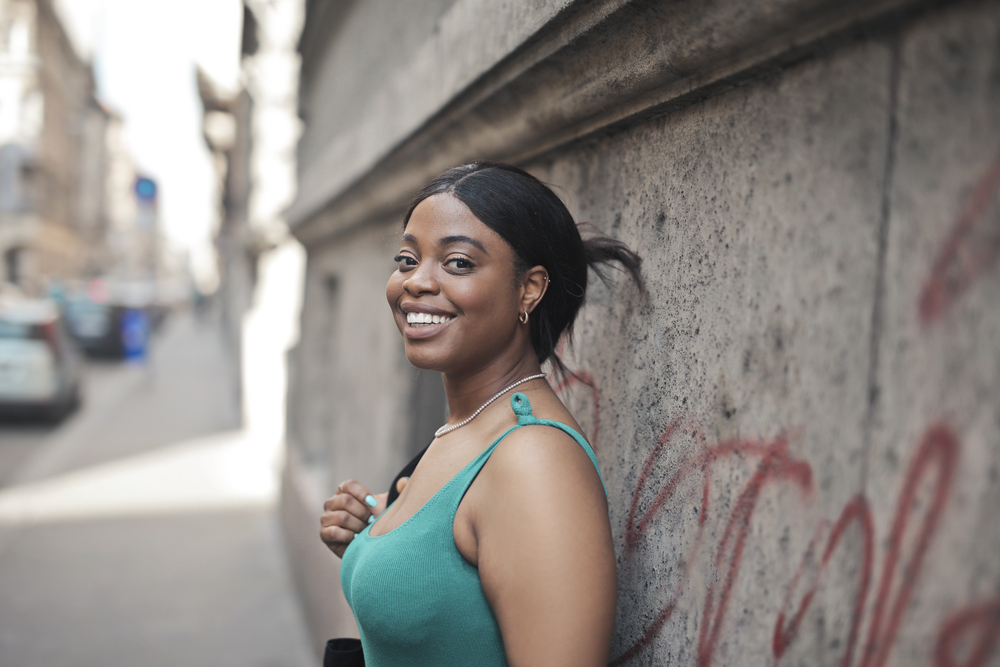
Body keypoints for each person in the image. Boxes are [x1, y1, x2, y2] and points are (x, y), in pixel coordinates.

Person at [319, 161, 642, 666]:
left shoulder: (534, 461)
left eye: (458, 263)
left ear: (529, 290)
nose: (416, 282)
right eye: (407, 259)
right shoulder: (465, 429)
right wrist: (372, 539)